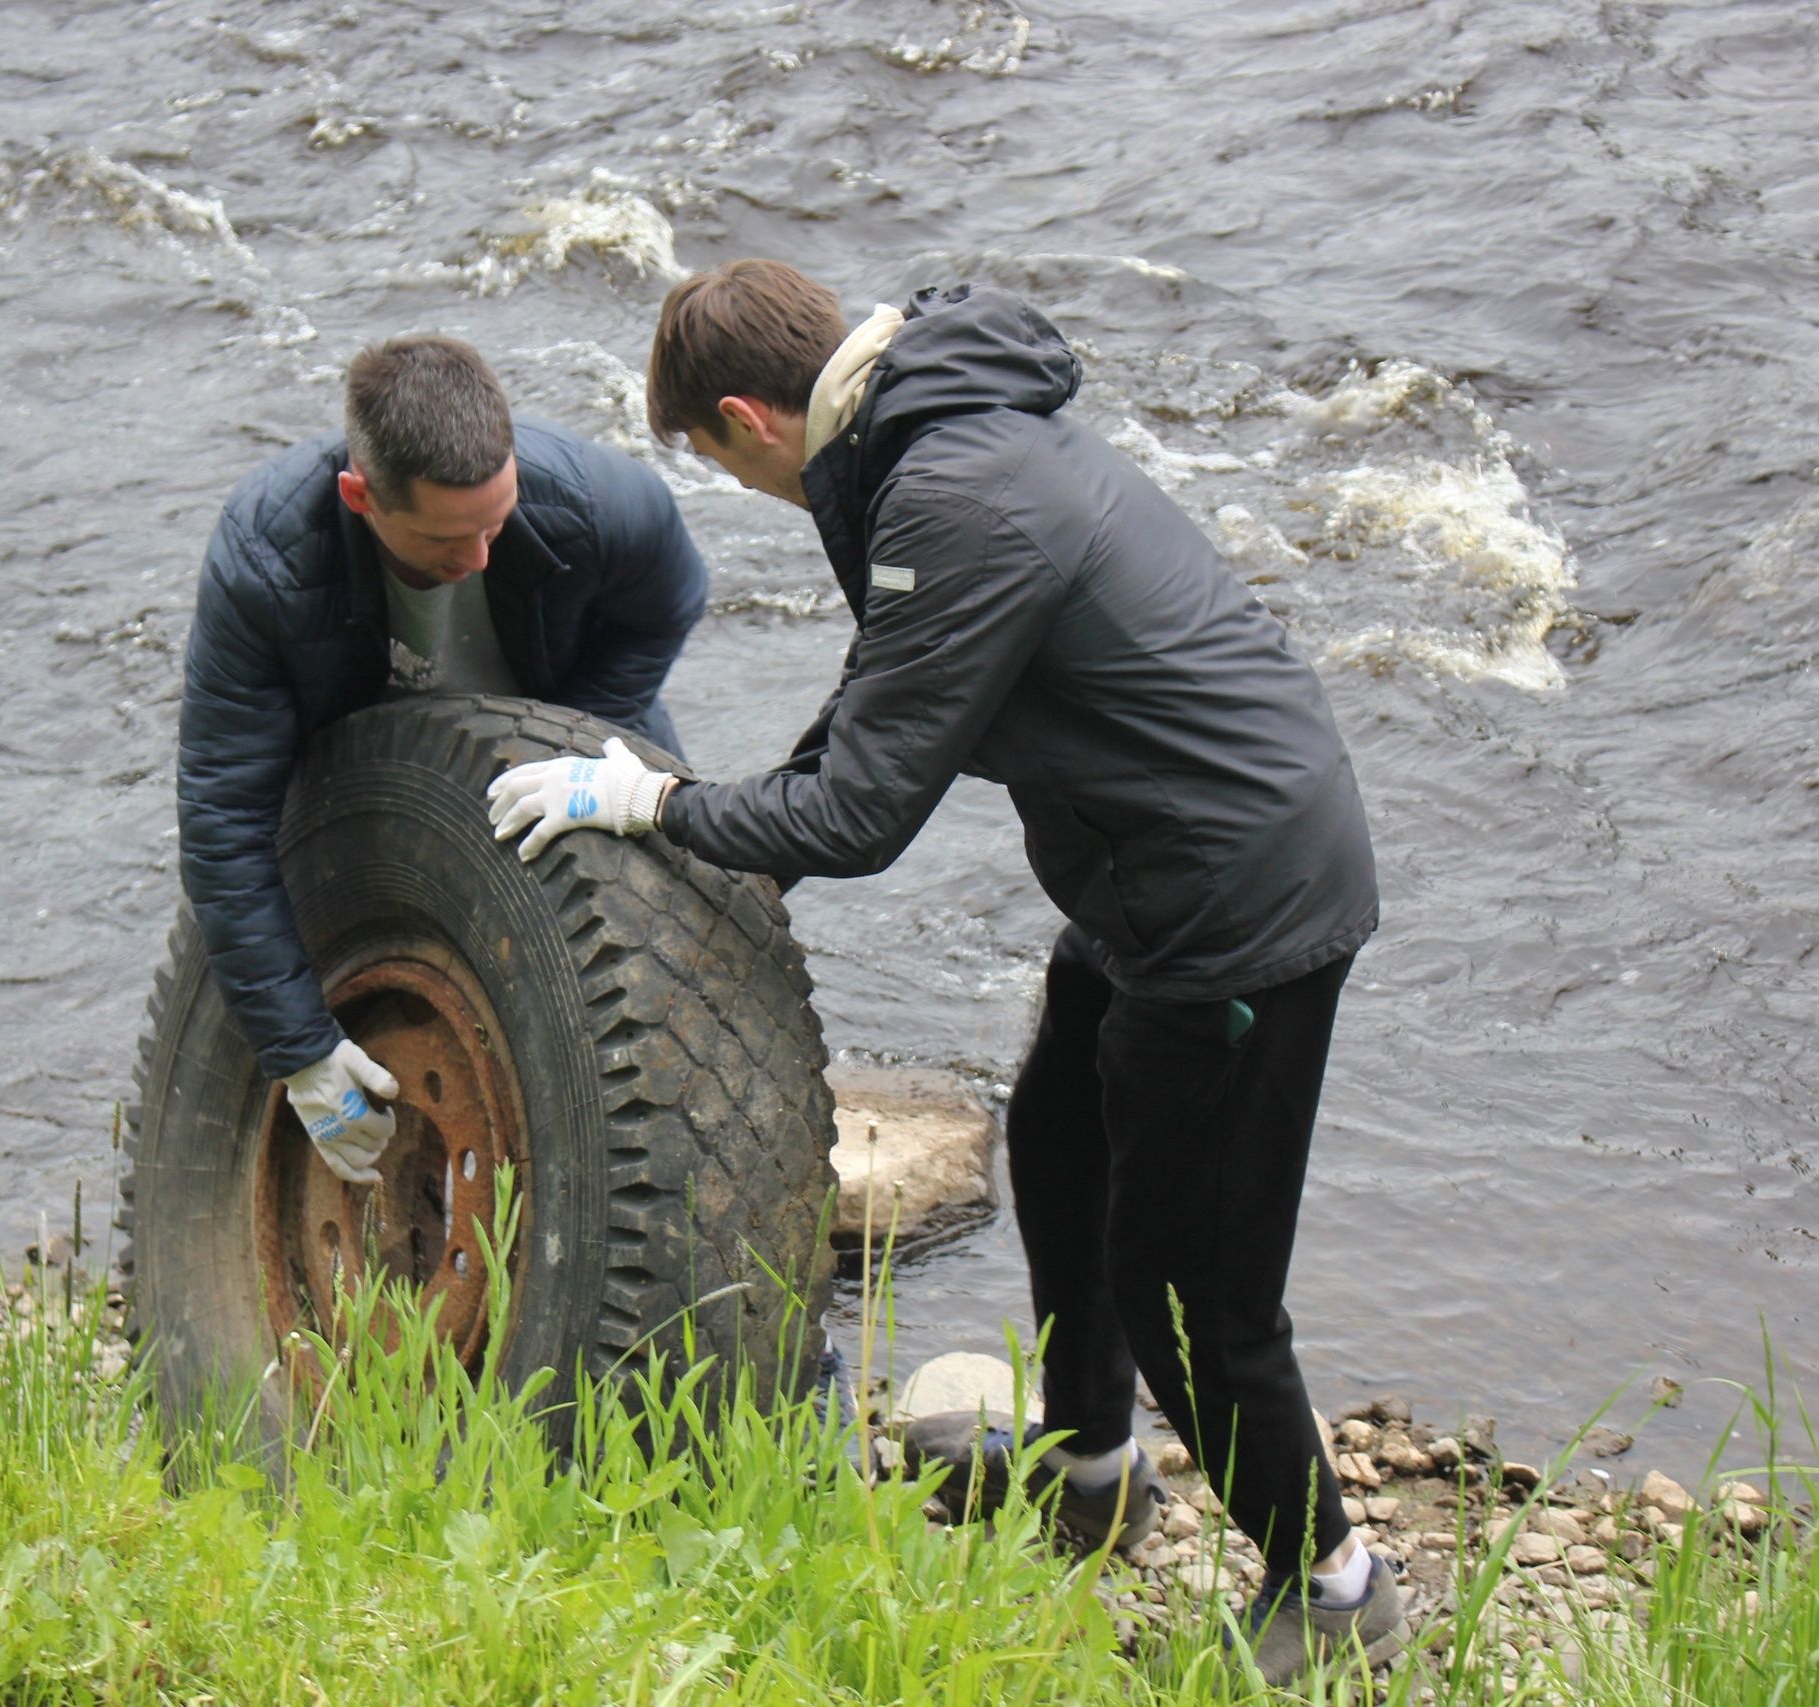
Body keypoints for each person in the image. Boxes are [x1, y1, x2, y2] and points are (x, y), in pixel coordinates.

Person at [485, 262, 1400, 1685]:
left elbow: (861, 814)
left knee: (1192, 1285)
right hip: (1156, 866)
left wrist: (656, 809)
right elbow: (882, 698)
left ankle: (1337, 1582)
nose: (749, 491)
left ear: (750, 417)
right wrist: (715, 850)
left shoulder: (947, 495)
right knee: (1054, 1133)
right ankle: (1095, 1469)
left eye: (725, 466)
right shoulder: (934, 434)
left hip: (1236, 904)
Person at [178, 333, 708, 1185]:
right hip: (374, 775)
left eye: (497, 525)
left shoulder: (593, 499)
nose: (478, 561)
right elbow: (223, 822)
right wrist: (301, 1048)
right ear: (362, 496)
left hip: (565, 740)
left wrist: (576, 734)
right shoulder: (266, 563)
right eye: (445, 543)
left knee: (671, 973)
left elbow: (673, 596)